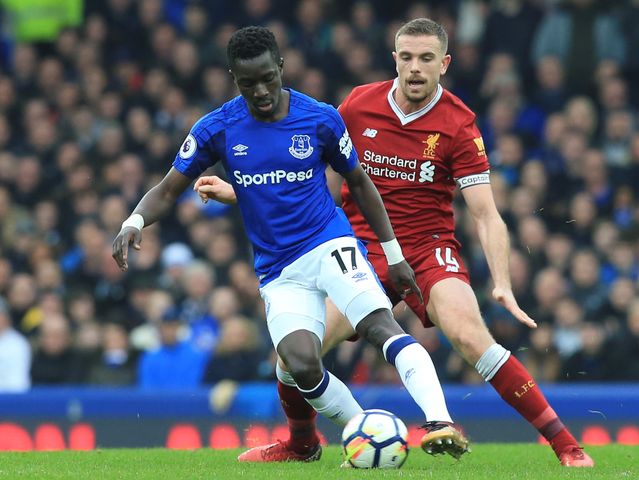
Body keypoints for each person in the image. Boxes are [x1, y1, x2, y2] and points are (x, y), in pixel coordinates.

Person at [197, 19, 594, 467]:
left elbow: (485, 212)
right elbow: (302, 164)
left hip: (428, 247)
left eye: (426, 59)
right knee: (293, 357)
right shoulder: (358, 105)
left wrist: (501, 281)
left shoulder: (459, 124)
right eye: (406, 57)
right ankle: (301, 443)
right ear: (395, 60)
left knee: (470, 335)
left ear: (444, 64)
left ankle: (565, 444)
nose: (415, 68)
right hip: (358, 246)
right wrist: (241, 190)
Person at [112, 26, 468, 462]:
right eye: (248, 83)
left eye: (267, 78)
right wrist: (134, 221)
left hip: (329, 244)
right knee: (299, 364)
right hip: (278, 269)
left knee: (379, 326)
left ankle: (440, 420)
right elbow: (168, 190)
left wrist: (393, 256)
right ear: (233, 78)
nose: (260, 91)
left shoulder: (318, 117)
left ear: (280, 67)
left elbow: (359, 182)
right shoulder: (217, 128)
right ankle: (366, 435)